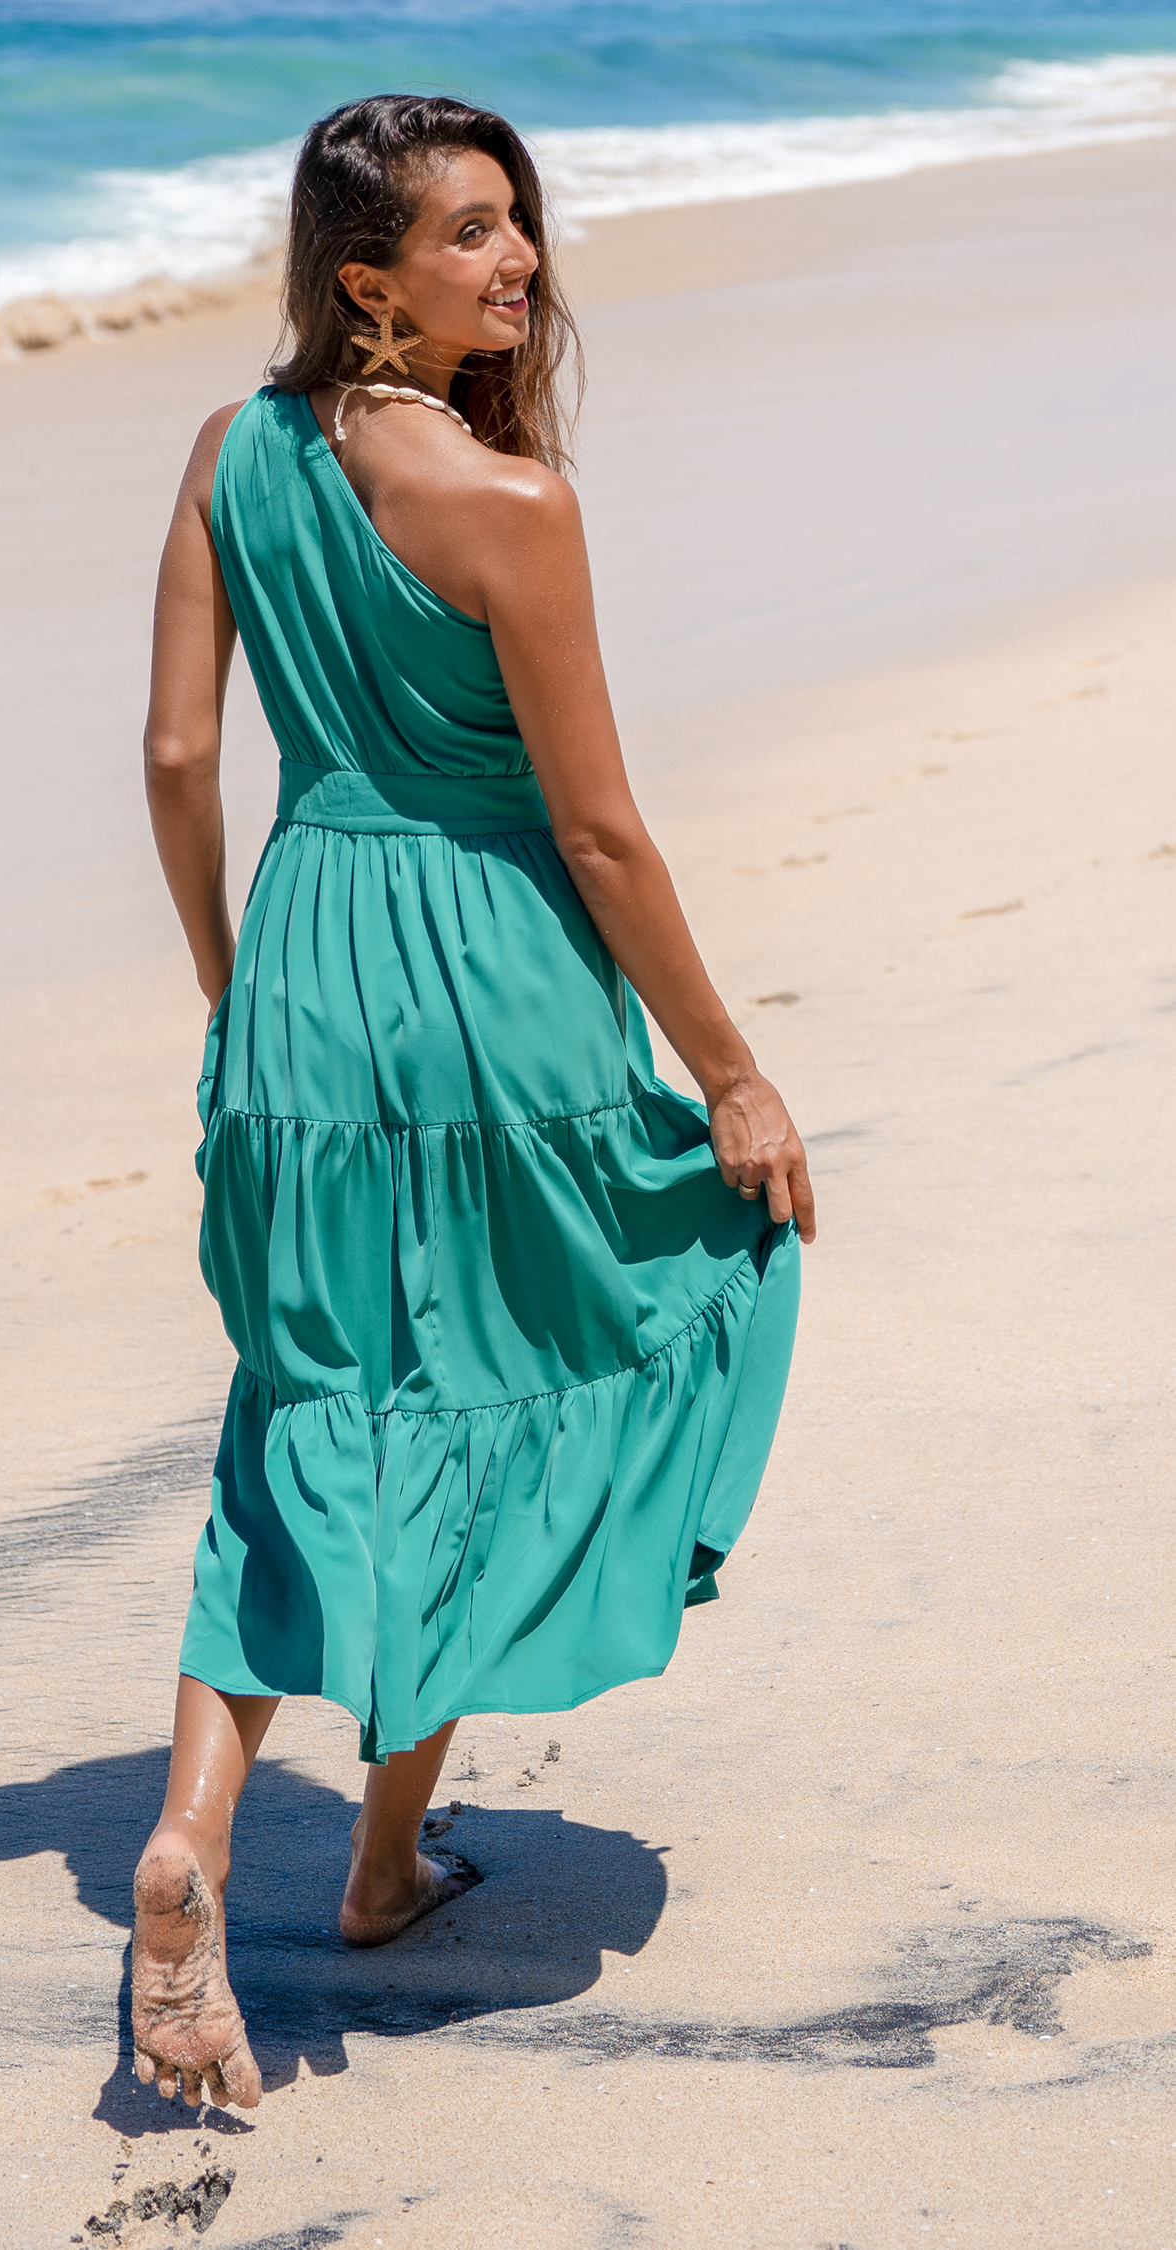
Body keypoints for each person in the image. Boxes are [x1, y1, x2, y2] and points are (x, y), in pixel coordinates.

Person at [132, 93, 813, 2111]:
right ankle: (374, 1860)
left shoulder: (230, 453)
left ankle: (216, 1834)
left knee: (312, 1401)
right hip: (494, 978)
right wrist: (734, 1070)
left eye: (517, 221)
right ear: (369, 281)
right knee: (500, 1382)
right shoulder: (515, 503)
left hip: (309, 962)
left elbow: (178, 758)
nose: (519, 260)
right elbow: (596, 834)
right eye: (469, 234)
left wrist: (233, 988)